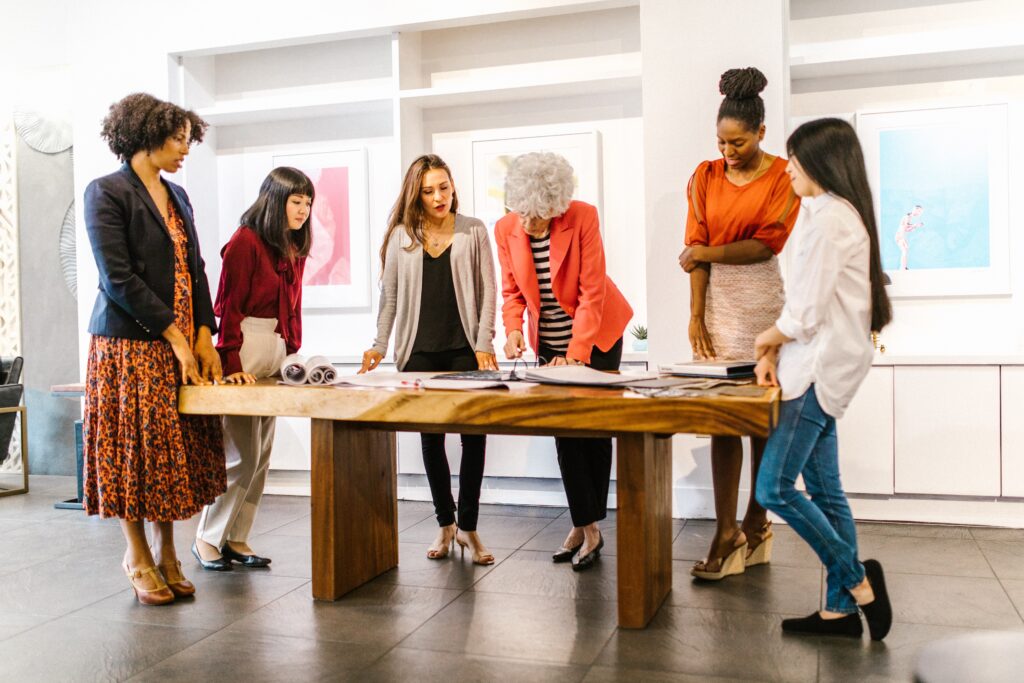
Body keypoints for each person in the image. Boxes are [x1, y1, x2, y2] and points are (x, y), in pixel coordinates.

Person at [82, 93, 235, 606]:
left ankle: (168, 550)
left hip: (181, 344)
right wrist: (174, 333)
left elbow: (196, 269)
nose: (185, 149)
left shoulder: (179, 196)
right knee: (136, 453)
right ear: (146, 135)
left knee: (174, 453)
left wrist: (203, 334)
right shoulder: (105, 192)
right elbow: (116, 277)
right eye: (178, 139)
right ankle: (136, 553)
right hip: (129, 346)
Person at [753, 118, 894, 640]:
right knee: (827, 492)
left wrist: (765, 341)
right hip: (819, 368)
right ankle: (838, 613)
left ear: (820, 163)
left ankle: (857, 582)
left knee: (772, 488)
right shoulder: (831, 214)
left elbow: (805, 312)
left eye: (794, 158)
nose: (787, 167)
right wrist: (776, 349)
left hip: (815, 371)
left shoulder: (832, 218)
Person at [678, 67, 800, 580]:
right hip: (718, 308)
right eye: (722, 142)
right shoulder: (705, 176)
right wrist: (694, 313)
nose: (729, 151)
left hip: (763, 303)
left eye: (739, 142)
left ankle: (757, 521)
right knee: (719, 419)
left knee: (760, 420)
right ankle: (725, 531)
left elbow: (764, 246)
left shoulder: (780, 176)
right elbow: (694, 255)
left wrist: (702, 250)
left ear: (762, 134)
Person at [494, 152, 633, 572]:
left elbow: (592, 294)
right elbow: (512, 292)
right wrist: (513, 329)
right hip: (548, 342)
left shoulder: (583, 217)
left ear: (555, 209)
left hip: (597, 336)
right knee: (562, 431)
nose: (527, 224)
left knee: (592, 429)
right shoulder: (505, 228)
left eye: (537, 217)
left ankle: (586, 526)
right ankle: (585, 526)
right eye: (521, 213)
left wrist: (575, 357)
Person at [360, 154, 498, 565]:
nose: (439, 196)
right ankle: (445, 524)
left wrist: (484, 341)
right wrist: (379, 346)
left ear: (453, 186)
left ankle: (469, 528)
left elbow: (489, 291)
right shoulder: (404, 235)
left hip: (465, 350)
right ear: (415, 195)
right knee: (431, 441)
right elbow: (390, 299)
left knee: (473, 438)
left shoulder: (473, 230)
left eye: (444, 187)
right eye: (428, 190)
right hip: (418, 353)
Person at [193, 167, 313, 570]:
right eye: (296, 201)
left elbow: (292, 310)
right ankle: (208, 539)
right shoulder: (246, 241)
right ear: (275, 200)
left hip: (274, 351)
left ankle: (237, 537)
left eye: (308, 203)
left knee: (261, 455)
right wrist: (229, 362)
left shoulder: (292, 247)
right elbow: (228, 306)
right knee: (240, 453)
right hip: (242, 347)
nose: (303, 210)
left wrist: (292, 355)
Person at [895, 205, 924, 270]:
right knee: (904, 251)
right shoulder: (907, 217)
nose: (919, 213)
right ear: (915, 209)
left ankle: (904, 266)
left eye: (921, 212)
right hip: (900, 236)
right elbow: (904, 227)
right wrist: (902, 239)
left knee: (905, 251)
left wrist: (916, 226)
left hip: (902, 236)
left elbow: (907, 229)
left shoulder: (909, 218)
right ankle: (902, 267)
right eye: (919, 211)